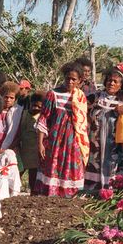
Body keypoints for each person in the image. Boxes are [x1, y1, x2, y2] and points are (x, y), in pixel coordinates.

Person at [34, 62, 88, 197]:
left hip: (74, 140)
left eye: (74, 79)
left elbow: (83, 121)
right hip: (55, 140)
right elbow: (43, 118)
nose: (70, 81)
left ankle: (69, 197)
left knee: (72, 166)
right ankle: (52, 196)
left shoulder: (81, 97)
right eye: (67, 78)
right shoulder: (53, 94)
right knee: (53, 166)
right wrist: (40, 143)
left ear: (80, 81)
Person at [85, 67, 123, 191]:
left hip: (114, 143)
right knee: (93, 164)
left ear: (121, 85)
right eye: (109, 80)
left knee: (114, 166)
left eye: (115, 82)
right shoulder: (95, 97)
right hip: (95, 142)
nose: (111, 83)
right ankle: (93, 191)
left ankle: (110, 192)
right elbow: (82, 109)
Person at [0, 81, 23, 166]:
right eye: (6, 97)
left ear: (15, 99)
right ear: (1, 96)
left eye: (11, 98)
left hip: (10, 148)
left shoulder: (17, 112)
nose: (8, 100)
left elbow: (18, 134)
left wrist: (7, 149)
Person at [16, 91, 45, 194]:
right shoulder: (23, 114)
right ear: (30, 103)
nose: (36, 108)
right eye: (34, 105)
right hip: (22, 150)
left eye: (39, 106)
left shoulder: (42, 117)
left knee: (33, 176)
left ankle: (33, 194)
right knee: (17, 173)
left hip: (35, 153)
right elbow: (18, 131)